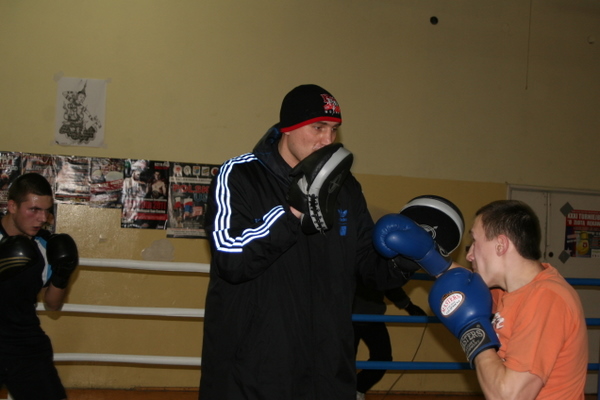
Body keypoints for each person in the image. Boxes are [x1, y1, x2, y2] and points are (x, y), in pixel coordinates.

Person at [198, 84, 419, 400]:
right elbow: (231, 259)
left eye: (333, 129)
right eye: (318, 127)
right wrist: (292, 213)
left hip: (326, 371)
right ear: (288, 127)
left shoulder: (346, 188)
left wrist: (405, 258)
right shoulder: (239, 176)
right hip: (253, 374)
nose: (328, 139)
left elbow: (369, 267)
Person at [374, 200, 589, 400]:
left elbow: (510, 396)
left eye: (475, 242)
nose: (469, 256)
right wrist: (427, 255)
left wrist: (473, 331)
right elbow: (460, 282)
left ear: (501, 245)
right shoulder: (508, 292)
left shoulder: (546, 299)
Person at [0, 173, 79, 400]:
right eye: (34, 210)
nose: (42, 218)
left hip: (23, 342)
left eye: (46, 211)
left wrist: (62, 274)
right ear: (12, 206)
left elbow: (53, 304)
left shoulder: (45, 245)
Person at [353, 282, 426, 400]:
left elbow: (387, 283)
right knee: (344, 360)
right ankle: (347, 390)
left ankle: (357, 388)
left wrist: (409, 306)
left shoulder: (377, 270)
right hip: (347, 317)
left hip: (373, 317)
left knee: (383, 358)